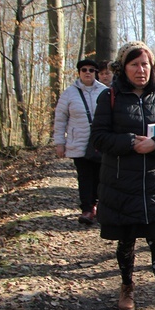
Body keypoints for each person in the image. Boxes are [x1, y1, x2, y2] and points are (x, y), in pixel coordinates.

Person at [90, 41, 155, 310]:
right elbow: (99, 138)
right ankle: (127, 285)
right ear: (124, 67)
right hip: (122, 184)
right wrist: (131, 143)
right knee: (126, 241)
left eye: (145, 64)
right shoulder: (109, 97)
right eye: (134, 64)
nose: (141, 70)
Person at [53, 58, 107, 224]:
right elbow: (60, 119)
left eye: (91, 70)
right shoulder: (69, 93)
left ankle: (98, 206)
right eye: (84, 70)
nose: (88, 73)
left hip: (100, 142)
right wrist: (59, 143)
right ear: (79, 72)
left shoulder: (104, 91)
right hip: (79, 143)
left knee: (101, 176)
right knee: (84, 177)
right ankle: (87, 209)